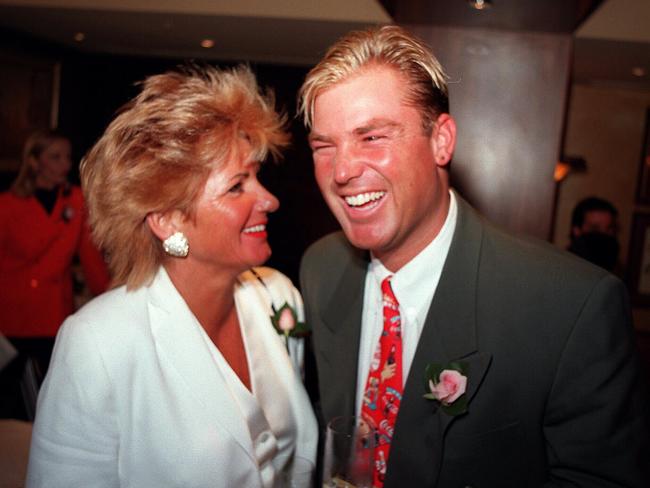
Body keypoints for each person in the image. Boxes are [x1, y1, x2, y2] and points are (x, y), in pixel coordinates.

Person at [298, 25, 648, 487]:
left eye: (372, 137)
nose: (341, 171)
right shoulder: (322, 267)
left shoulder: (569, 307)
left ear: (441, 140)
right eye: (324, 146)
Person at [27, 65, 317, 487]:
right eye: (237, 186)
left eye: (257, 178)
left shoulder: (277, 296)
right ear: (167, 220)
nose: (269, 200)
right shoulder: (98, 343)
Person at [0, 129, 110, 418]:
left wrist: (113, 297)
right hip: (11, 316)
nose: (65, 164)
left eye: (67, 157)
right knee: (9, 402)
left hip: (52, 315)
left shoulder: (76, 200)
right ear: (34, 162)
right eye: (55, 157)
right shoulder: (7, 205)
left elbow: (91, 260)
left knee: (51, 402)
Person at [568, 196, 620, 273]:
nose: (604, 235)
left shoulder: (615, 271)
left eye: (609, 229)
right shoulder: (565, 266)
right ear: (577, 230)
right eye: (595, 228)